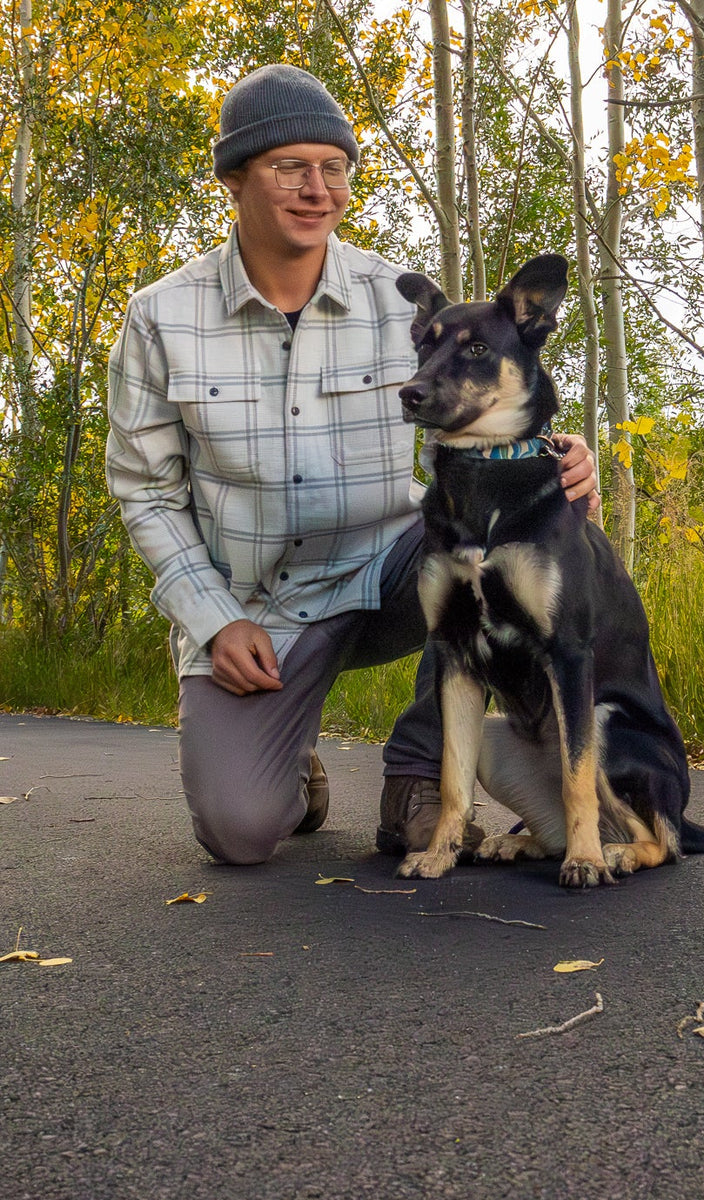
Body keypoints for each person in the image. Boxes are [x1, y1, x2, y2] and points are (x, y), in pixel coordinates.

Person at [105, 64, 597, 865]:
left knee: (504, 540)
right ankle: (287, 752)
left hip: (390, 570)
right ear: (234, 178)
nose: (317, 190)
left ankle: (417, 774)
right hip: (255, 609)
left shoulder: (398, 301)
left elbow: (488, 402)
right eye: (289, 167)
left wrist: (561, 462)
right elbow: (146, 490)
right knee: (239, 830)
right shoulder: (161, 317)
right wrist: (213, 618)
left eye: (334, 168)